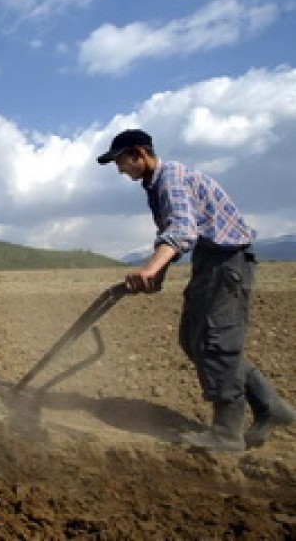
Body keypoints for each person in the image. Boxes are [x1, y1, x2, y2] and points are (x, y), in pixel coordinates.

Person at [97, 129, 295, 451]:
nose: (120, 170)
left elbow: (181, 230)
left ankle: (227, 433)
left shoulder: (169, 178)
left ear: (138, 153)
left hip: (225, 261)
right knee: (193, 338)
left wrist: (149, 268)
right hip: (212, 260)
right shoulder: (157, 184)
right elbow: (177, 233)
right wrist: (157, 273)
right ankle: (271, 407)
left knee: (214, 342)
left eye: (121, 162)